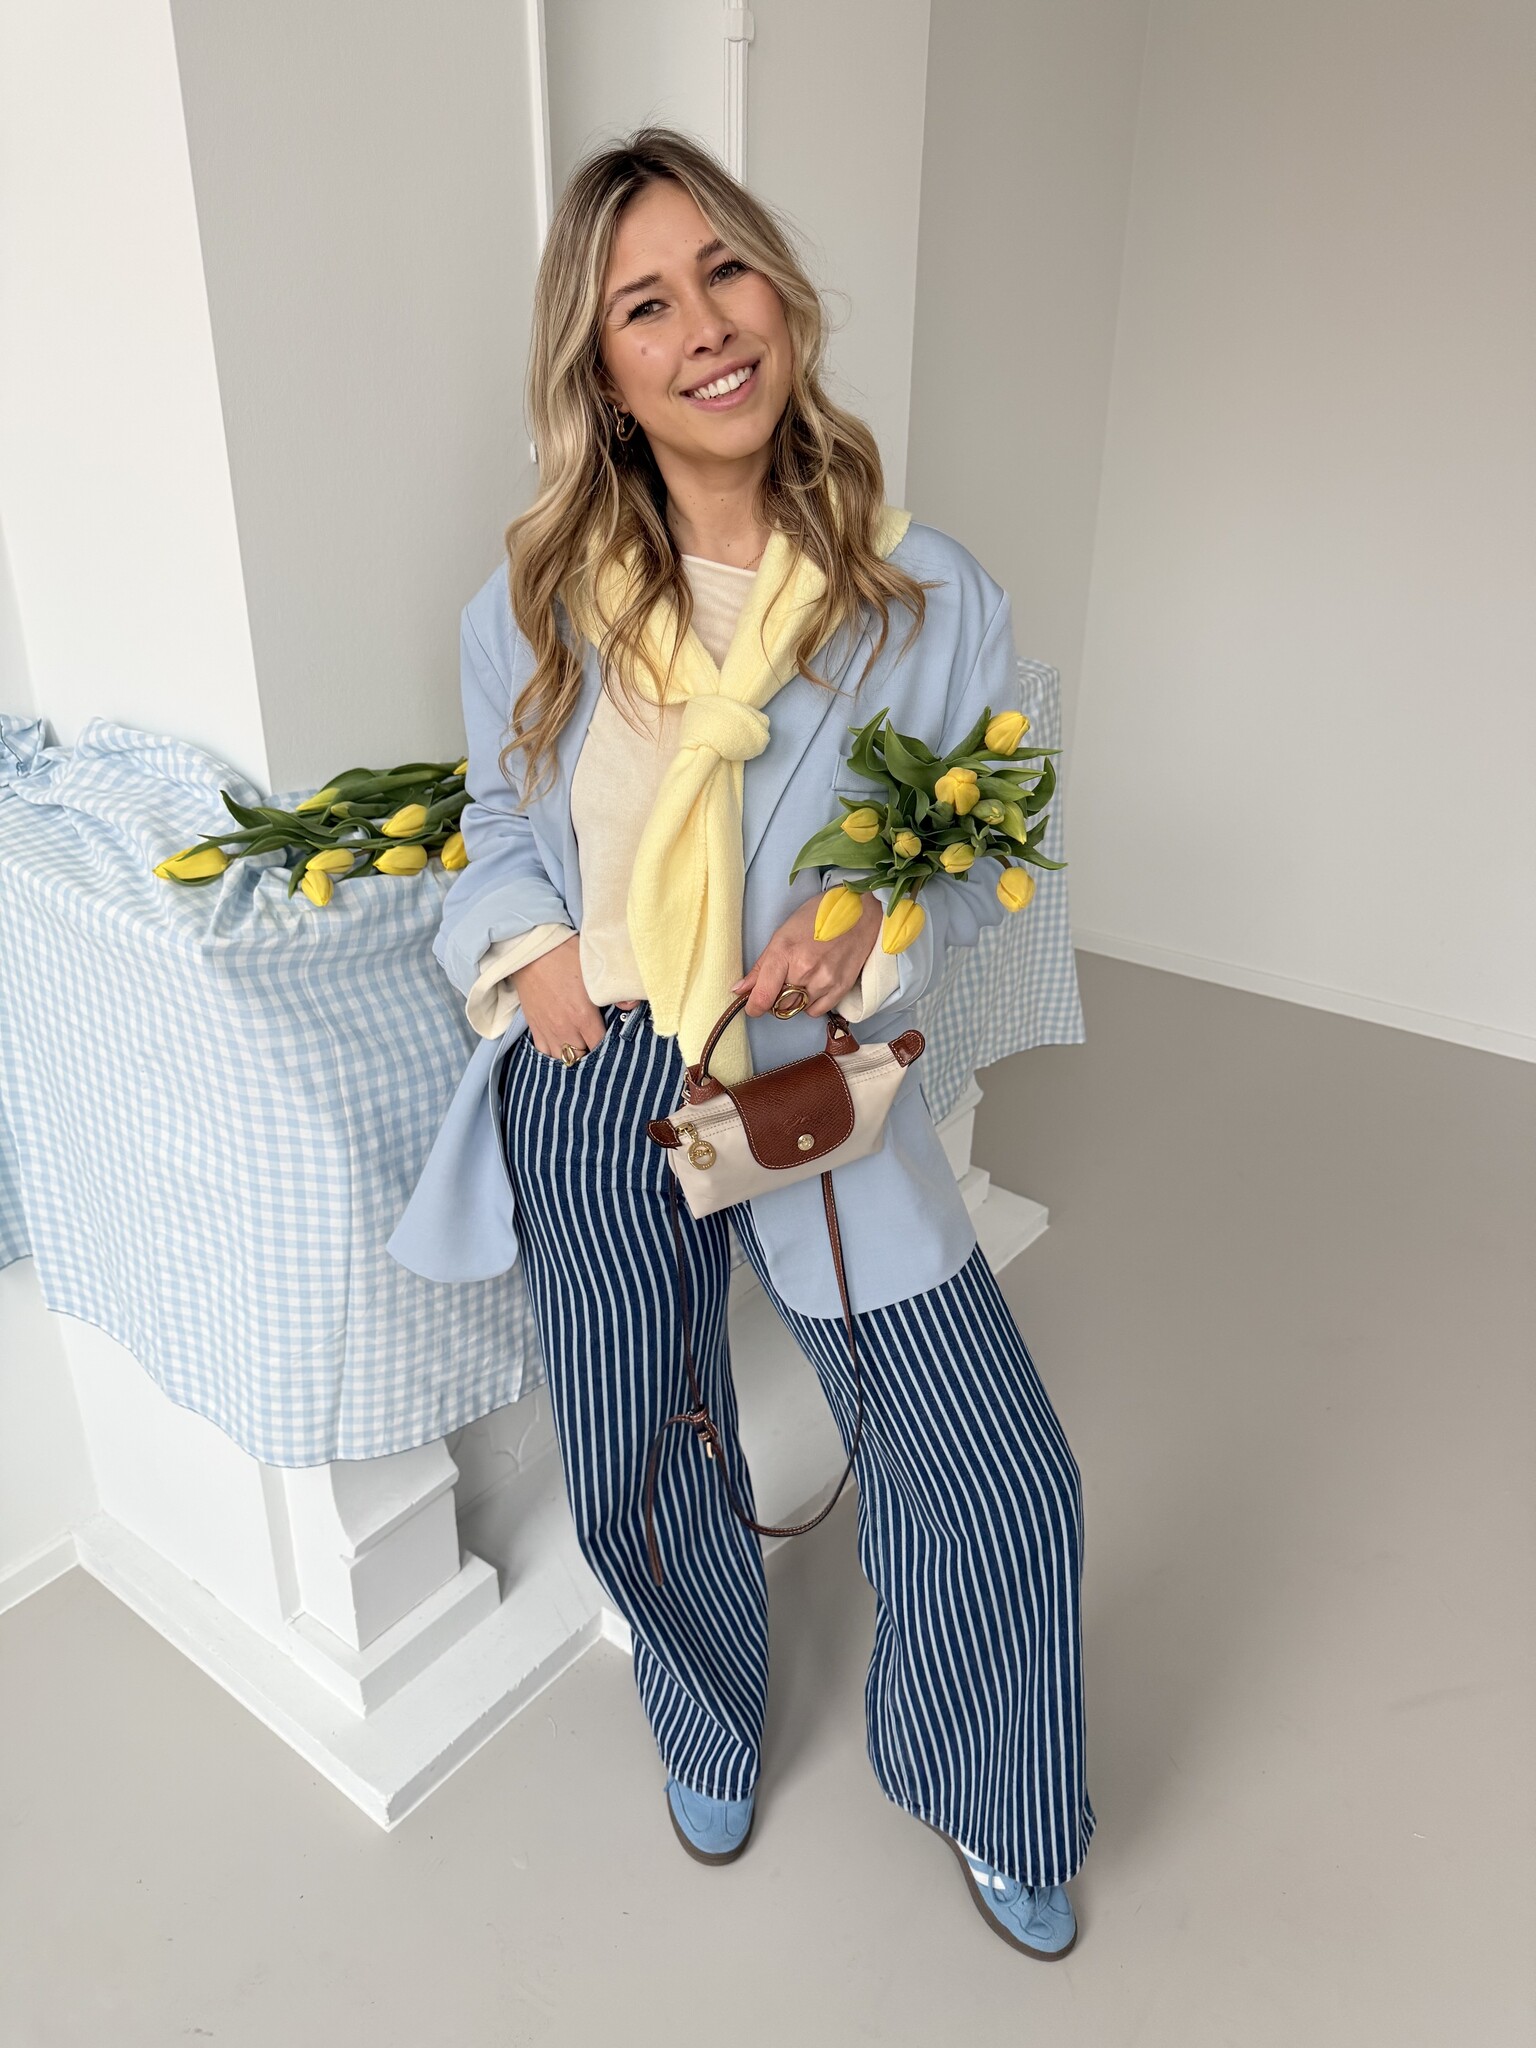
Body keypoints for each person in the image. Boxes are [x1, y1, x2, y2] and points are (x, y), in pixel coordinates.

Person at [388, 127, 1095, 1959]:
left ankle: (995, 1777)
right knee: (638, 1437)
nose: (704, 325)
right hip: (593, 1069)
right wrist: (531, 950)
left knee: (992, 1465)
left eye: (726, 271)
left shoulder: (923, 595)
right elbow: (492, 822)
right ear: (605, 375)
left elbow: (973, 833)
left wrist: (868, 920)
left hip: (792, 1070)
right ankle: (706, 1709)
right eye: (646, 304)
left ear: (780, 295)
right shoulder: (535, 602)